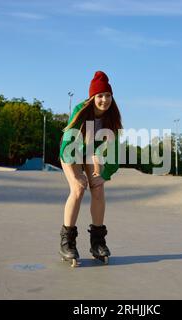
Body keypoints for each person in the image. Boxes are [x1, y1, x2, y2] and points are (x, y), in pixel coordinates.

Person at [58, 71, 123, 267]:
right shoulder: (81, 110)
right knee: (78, 190)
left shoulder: (112, 117)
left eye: (108, 95)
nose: (104, 100)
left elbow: (114, 151)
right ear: (92, 97)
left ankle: (97, 242)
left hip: (91, 154)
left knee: (98, 189)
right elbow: (68, 144)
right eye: (100, 96)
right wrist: (74, 176)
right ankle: (67, 242)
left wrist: (105, 174)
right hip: (71, 150)